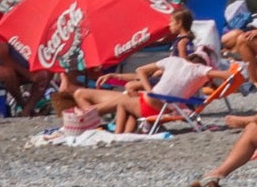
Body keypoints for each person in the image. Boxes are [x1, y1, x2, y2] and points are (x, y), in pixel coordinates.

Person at [74, 47, 217, 133]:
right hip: (141, 100)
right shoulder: (178, 72)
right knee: (81, 94)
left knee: (83, 98)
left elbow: (138, 82)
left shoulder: (181, 76)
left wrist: (144, 89)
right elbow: (141, 76)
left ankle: (91, 125)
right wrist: (116, 76)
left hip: (144, 101)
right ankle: (99, 128)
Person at [0, 32, 53, 117]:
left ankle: (28, 109)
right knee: (8, 73)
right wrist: (29, 75)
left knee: (47, 70)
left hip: (27, 67)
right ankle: (23, 105)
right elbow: (4, 59)